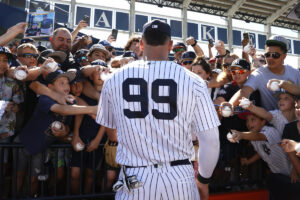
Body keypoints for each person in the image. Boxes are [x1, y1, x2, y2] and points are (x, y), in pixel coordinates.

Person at [96, 19, 220, 200]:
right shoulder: (194, 81)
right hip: (179, 177)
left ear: (141, 43)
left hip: (135, 177)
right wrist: (203, 179)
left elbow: (112, 132)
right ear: (170, 45)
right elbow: (211, 140)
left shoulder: (114, 78)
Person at [231, 112, 297, 200]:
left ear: (263, 122)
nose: (249, 123)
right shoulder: (253, 138)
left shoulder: (270, 131)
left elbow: (259, 136)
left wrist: (242, 135)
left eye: (253, 119)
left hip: (292, 175)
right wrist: (249, 161)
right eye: (247, 120)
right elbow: (262, 152)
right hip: (278, 175)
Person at [229, 35, 300, 111]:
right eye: (267, 55)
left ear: (284, 56)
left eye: (275, 55)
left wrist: (284, 84)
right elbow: (244, 91)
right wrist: (230, 104)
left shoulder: (295, 73)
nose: (270, 58)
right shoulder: (259, 73)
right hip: (270, 120)